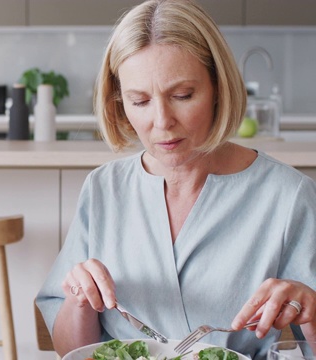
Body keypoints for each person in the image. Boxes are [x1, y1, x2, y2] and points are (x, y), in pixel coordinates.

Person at [35, 0, 316, 359]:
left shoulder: (288, 196)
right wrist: (80, 299)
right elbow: (72, 351)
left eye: (182, 96)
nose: (162, 121)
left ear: (218, 87)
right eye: (139, 101)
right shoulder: (104, 189)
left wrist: (311, 311)